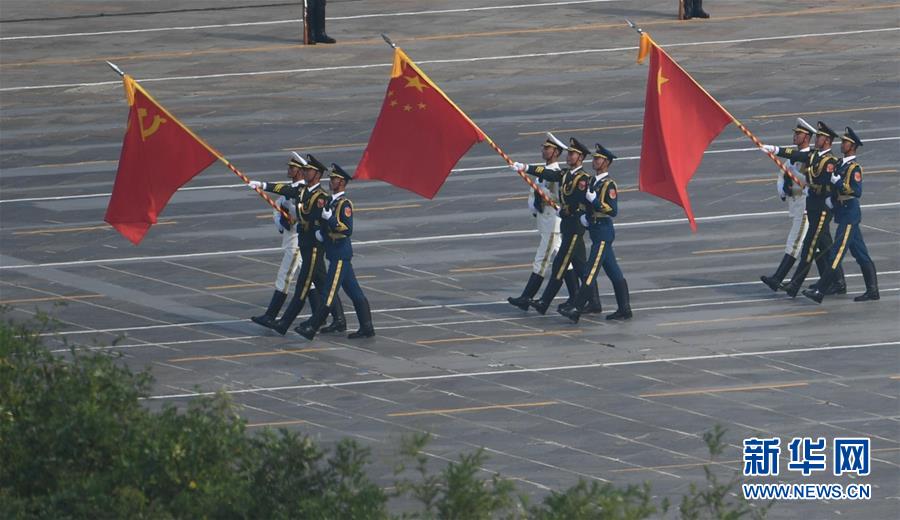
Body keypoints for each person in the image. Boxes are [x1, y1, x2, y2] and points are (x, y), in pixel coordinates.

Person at [512, 137, 599, 315]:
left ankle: (540, 301)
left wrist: (568, 211)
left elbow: (580, 202)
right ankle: (589, 301)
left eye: (572, 154)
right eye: (569, 153)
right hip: (565, 224)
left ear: (581, 157)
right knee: (579, 265)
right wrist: (525, 167)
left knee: (558, 263)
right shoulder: (566, 174)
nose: (569, 156)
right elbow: (548, 174)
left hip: (573, 225)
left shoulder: (583, 178)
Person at [761, 121, 845, 297]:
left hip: (821, 208)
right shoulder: (813, 156)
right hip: (812, 207)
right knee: (823, 247)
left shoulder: (829, 161)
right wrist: (774, 149)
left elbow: (823, 183)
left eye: (820, 137)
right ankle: (836, 282)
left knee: (809, 248)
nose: (817, 139)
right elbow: (794, 154)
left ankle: (793, 284)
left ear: (827, 141)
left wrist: (806, 185)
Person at [267, 154, 346, 335]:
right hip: (306, 244)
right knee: (321, 284)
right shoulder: (304, 191)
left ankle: (292, 323)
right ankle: (336, 319)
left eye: (308, 170)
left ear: (316, 174)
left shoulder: (320, 196)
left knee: (304, 286)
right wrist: (262, 185)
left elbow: (312, 216)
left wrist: (296, 214)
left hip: (313, 246)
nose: (305, 172)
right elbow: (285, 191)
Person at [296, 164, 375, 340]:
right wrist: (321, 231)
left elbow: (347, 229)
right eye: (331, 178)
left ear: (342, 182)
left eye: (334, 179)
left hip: (340, 254)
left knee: (328, 293)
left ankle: (312, 328)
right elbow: (325, 224)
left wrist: (330, 219)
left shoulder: (344, 204)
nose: (331, 181)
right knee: (354, 292)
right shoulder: (331, 201)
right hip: (335, 253)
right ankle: (367, 327)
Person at [802, 127, 879, 303]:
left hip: (849, 215)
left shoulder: (854, 168)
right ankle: (873, 291)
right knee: (860, 254)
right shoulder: (839, 164)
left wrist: (839, 184)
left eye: (845, 142)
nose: (842, 144)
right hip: (842, 212)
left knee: (836, 253)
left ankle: (820, 291)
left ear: (852, 147)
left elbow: (857, 192)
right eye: (843, 141)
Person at [559, 143, 632, 323]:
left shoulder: (609, 184)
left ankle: (576, 308)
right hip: (595, 230)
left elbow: (612, 210)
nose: (595, 161)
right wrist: (583, 214)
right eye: (595, 158)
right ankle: (625, 309)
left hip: (603, 232)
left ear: (606, 163)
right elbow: (584, 203)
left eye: (599, 159)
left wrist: (596, 203)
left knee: (589, 272)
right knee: (614, 272)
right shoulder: (592, 181)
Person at [246, 152, 305, 327]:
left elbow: (302, 216)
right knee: (312, 282)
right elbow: (279, 208)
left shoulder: (301, 191)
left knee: (284, 277)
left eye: (292, 167)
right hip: (290, 240)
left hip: (297, 242)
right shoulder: (289, 190)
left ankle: (270, 315)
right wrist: (282, 220)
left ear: (300, 171)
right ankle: (333, 317)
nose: (289, 169)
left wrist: (262, 185)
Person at [760, 119, 814, 292]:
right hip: (795, 206)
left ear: (807, 137)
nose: (795, 136)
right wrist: (783, 189)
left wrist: (776, 150)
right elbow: (782, 175)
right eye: (795, 133)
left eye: (798, 134)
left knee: (794, 243)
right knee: (820, 247)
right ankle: (837, 281)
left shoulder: (811, 157)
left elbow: (806, 180)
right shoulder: (792, 158)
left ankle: (777, 278)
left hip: (806, 208)